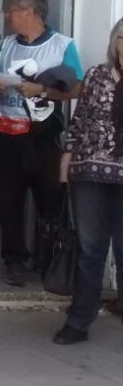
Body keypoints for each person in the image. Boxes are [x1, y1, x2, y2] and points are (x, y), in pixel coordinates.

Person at [0, 0, 82, 287]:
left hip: (42, 135)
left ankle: (47, 260)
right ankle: (14, 261)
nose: (7, 15)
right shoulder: (6, 44)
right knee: (8, 201)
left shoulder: (63, 45)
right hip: (6, 132)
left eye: (11, 10)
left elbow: (76, 89)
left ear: (29, 13)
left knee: (49, 201)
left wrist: (42, 91)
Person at [54, 18, 123, 345]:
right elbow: (78, 121)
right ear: (115, 42)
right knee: (90, 249)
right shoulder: (96, 75)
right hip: (89, 173)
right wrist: (65, 164)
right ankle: (79, 321)